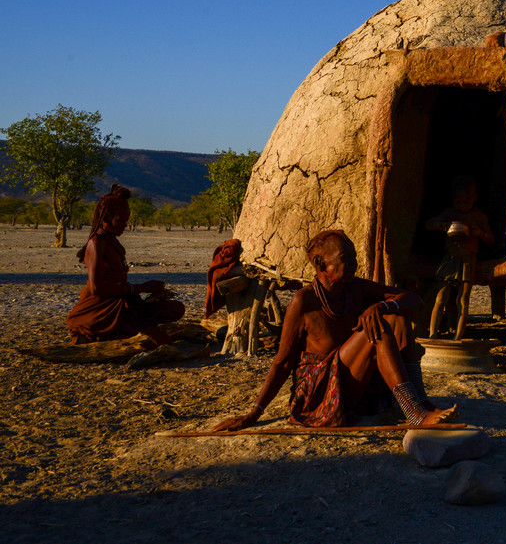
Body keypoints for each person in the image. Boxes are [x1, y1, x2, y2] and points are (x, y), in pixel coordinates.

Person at [213, 230, 457, 430]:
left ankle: (420, 402)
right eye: (345, 258)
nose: (353, 264)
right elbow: (282, 362)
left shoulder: (355, 288)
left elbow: (414, 300)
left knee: (396, 318)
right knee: (377, 328)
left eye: (354, 258)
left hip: (351, 381)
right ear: (320, 263)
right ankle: (414, 413)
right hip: (321, 393)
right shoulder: (304, 301)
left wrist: (382, 305)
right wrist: (254, 413)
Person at [67, 184, 185, 346]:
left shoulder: (111, 240)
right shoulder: (96, 243)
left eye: (126, 221)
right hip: (101, 309)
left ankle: (128, 330)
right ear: (105, 218)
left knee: (176, 308)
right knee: (159, 341)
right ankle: (101, 335)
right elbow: (96, 289)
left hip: (122, 302)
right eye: (119, 221)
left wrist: (146, 292)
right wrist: (141, 288)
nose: (124, 225)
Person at [424, 175, 494, 339]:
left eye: (466, 200)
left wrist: (479, 234)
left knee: (462, 300)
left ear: (475, 197)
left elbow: (491, 239)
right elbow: (428, 225)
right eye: (458, 201)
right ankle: (433, 334)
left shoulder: (479, 216)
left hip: (468, 261)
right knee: (440, 298)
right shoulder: (449, 213)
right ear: (453, 198)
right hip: (450, 259)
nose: (462, 204)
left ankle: (458, 336)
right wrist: (442, 225)